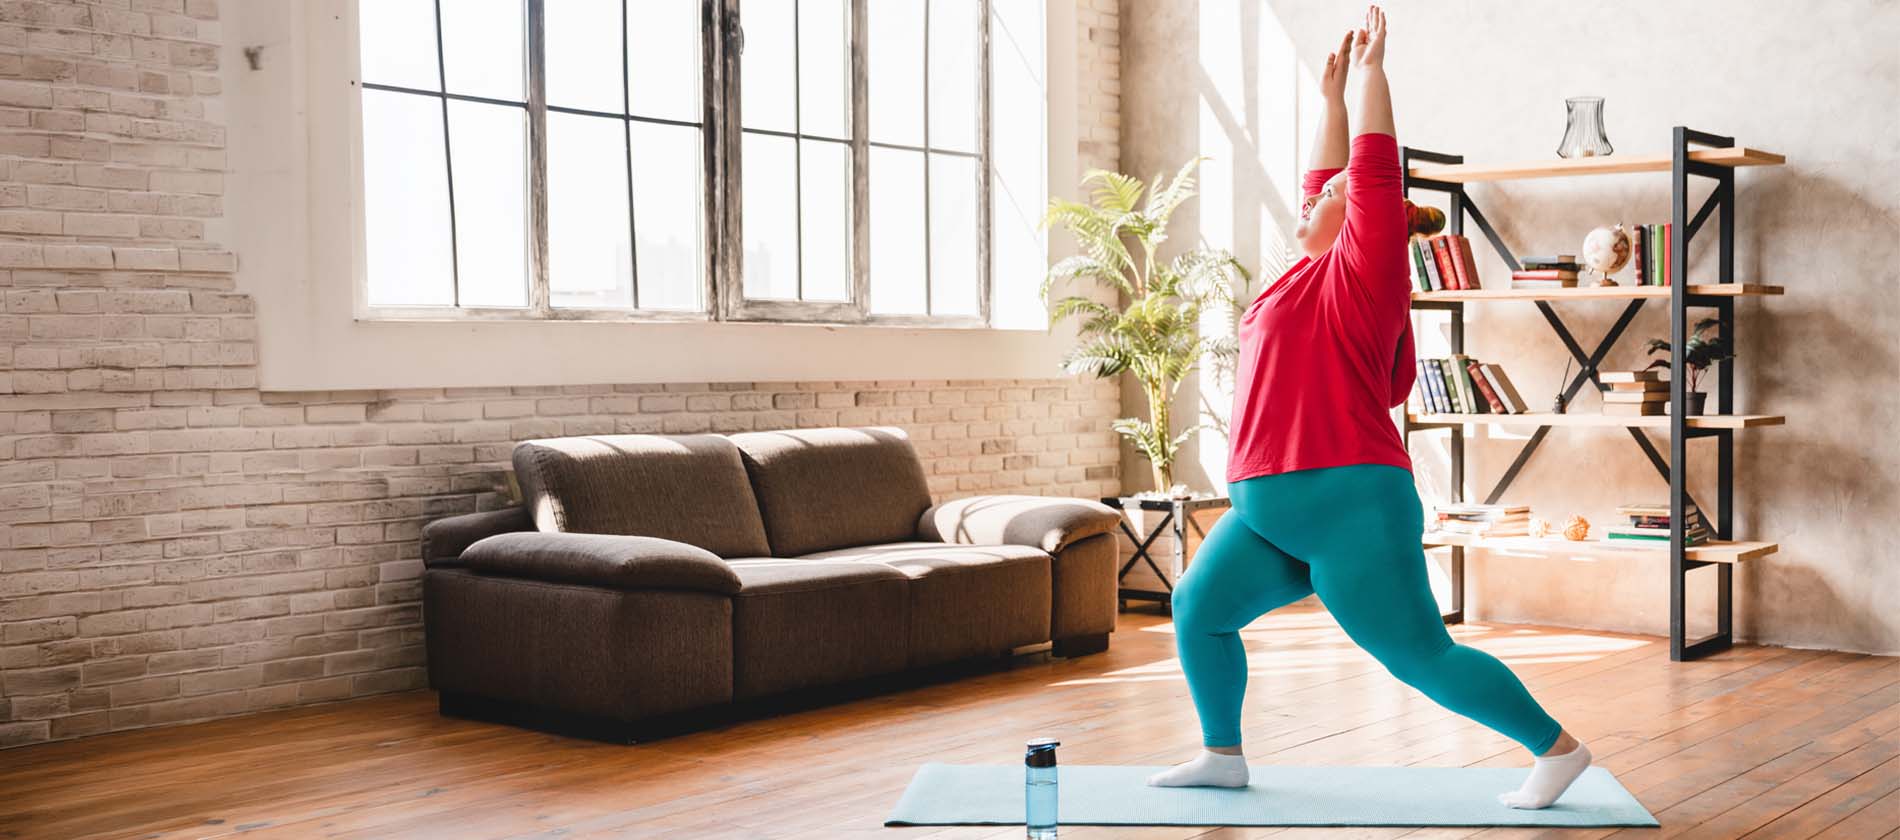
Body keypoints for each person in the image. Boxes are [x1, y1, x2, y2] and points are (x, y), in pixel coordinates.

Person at [1145, 7, 1593, 810]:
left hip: (1350, 504)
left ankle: (1555, 750)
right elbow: (1326, 183)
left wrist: (1372, 78)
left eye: (1328, 200)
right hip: (1270, 507)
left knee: (1419, 656)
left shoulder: (1361, 280)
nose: (1306, 202)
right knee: (1200, 607)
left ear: (1358, 222)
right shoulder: (1297, 275)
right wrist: (1329, 103)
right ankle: (1222, 754)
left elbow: (1371, 179)